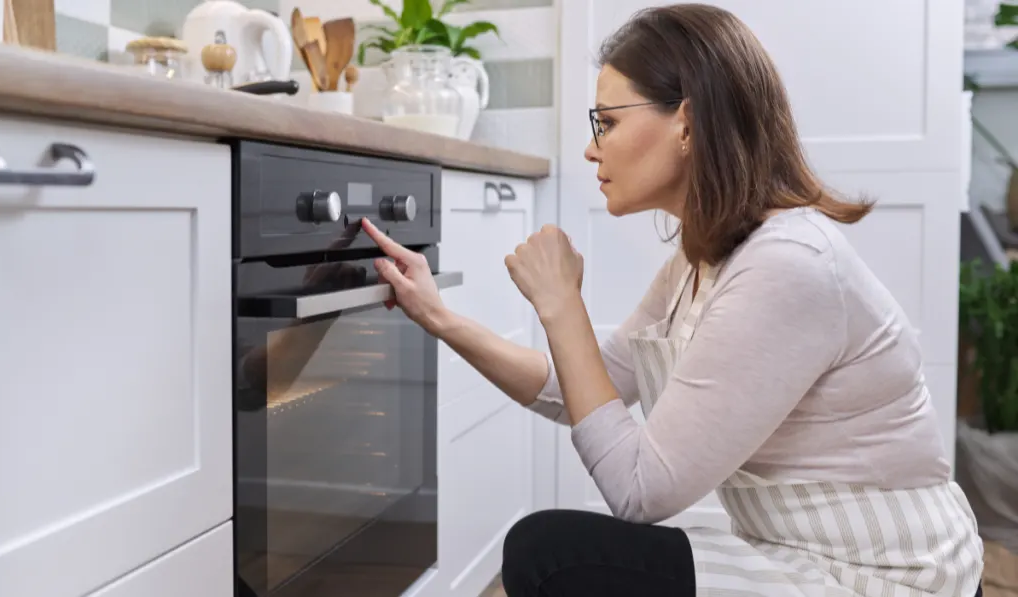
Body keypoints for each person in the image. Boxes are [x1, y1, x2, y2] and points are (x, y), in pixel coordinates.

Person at [359, 4, 985, 596]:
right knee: (548, 549)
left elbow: (640, 492)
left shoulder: (788, 264)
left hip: (885, 576)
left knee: (547, 551)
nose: (591, 145)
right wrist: (439, 316)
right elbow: (575, 386)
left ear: (685, 123)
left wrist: (562, 306)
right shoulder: (704, 257)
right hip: (791, 549)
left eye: (606, 121)